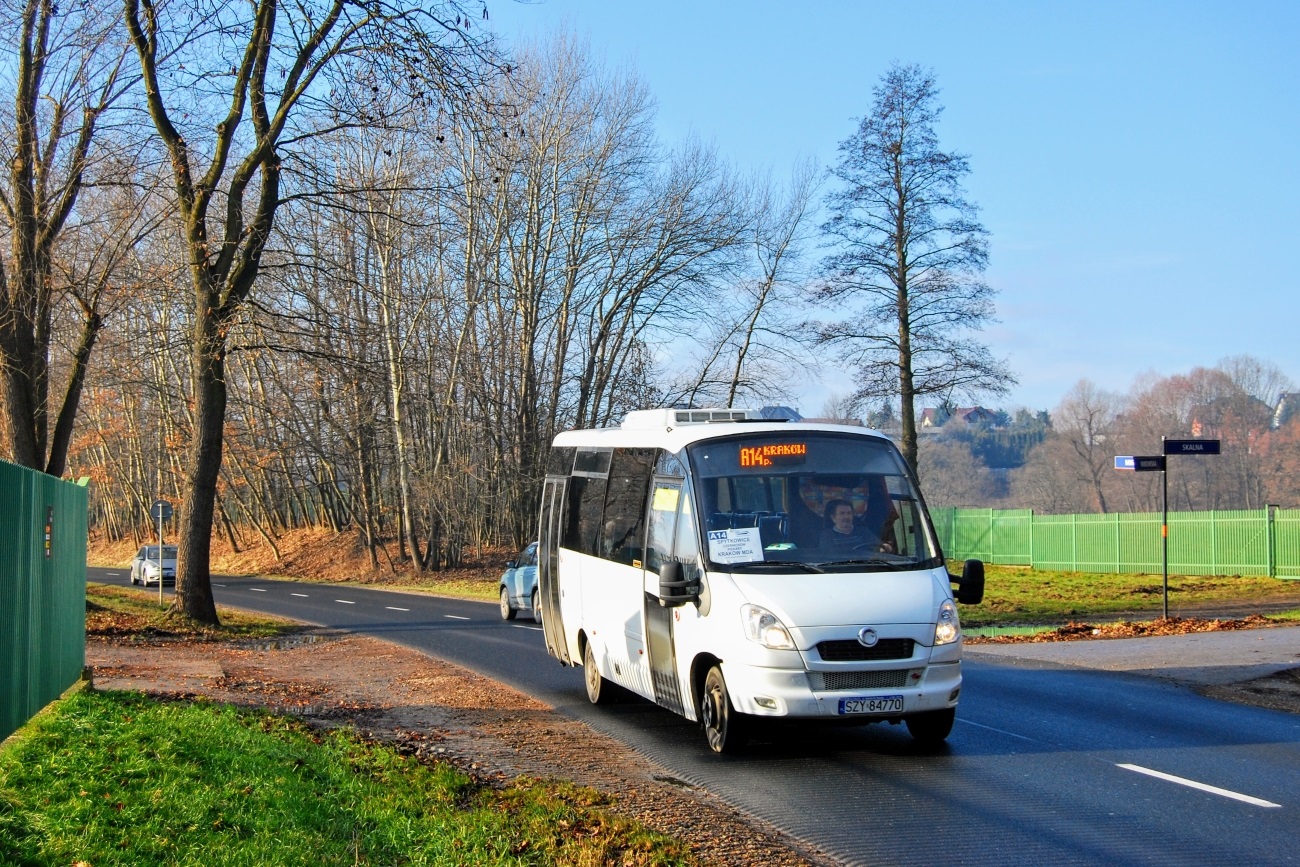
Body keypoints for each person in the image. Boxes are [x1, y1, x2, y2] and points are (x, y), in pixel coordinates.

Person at [819, 498, 893, 554]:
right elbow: (828, 556)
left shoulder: (863, 531)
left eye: (849, 513)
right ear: (833, 517)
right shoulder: (827, 536)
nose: (846, 517)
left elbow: (879, 546)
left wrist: (885, 547)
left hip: (866, 567)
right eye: (842, 513)